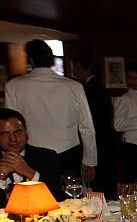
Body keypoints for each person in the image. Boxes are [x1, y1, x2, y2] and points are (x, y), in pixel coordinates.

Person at [5, 40, 97, 182]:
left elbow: (9, 125)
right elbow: (87, 128)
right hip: (68, 153)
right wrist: (90, 161)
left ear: (30, 59)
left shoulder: (14, 86)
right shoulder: (74, 86)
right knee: (71, 199)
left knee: (36, 199)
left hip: (34, 154)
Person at [73, 54, 118, 197]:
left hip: (99, 142)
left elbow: (89, 122)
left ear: (87, 69)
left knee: (100, 185)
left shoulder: (89, 89)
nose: (75, 72)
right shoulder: (98, 87)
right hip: (106, 140)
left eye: (77, 68)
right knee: (105, 184)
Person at [0, 108, 62, 206]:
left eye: (18, 132)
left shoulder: (46, 157)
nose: (13, 139)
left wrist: (30, 173)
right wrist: (1, 177)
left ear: (26, 132)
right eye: (5, 134)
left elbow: (59, 198)